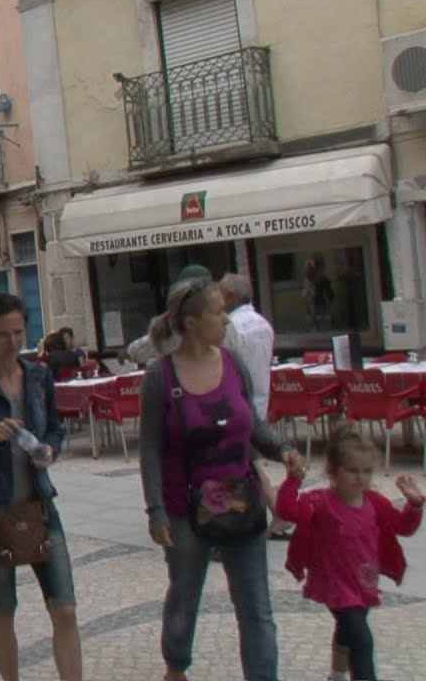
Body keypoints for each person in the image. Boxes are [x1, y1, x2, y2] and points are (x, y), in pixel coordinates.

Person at [138, 275, 303, 681]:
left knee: (256, 608)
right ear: (191, 322)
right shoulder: (161, 377)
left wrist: (282, 451)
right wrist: (156, 512)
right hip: (185, 509)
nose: (225, 320)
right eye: (216, 312)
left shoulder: (233, 365)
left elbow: (254, 426)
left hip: (241, 500)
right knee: (185, 596)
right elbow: (150, 449)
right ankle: (176, 667)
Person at [0, 294, 82, 681]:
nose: (13, 341)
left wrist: (50, 448)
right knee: (4, 608)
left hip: (40, 503)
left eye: (19, 332)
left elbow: (54, 427)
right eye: (3, 334)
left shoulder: (38, 377)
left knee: (65, 607)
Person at [276, 422, 422, 681]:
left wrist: (413, 505)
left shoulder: (374, 502)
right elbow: (287, 510)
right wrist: (293, 480)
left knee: (348, 631)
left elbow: (402, 527)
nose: (361, 478)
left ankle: (336, 674)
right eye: (352, 471)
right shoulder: (320, 503)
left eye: (367, 471)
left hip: (364, 582)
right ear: (333, 471)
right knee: (362, 640)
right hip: (335, 585)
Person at [220, 273, 291, 541]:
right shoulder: (263, 323)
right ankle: (277, 514)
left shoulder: (231, 326)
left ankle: (262, 516)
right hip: (259, 398)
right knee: (251, 461)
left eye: (221, 294)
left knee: (241, 463)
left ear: (231, 297)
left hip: (237, 403)